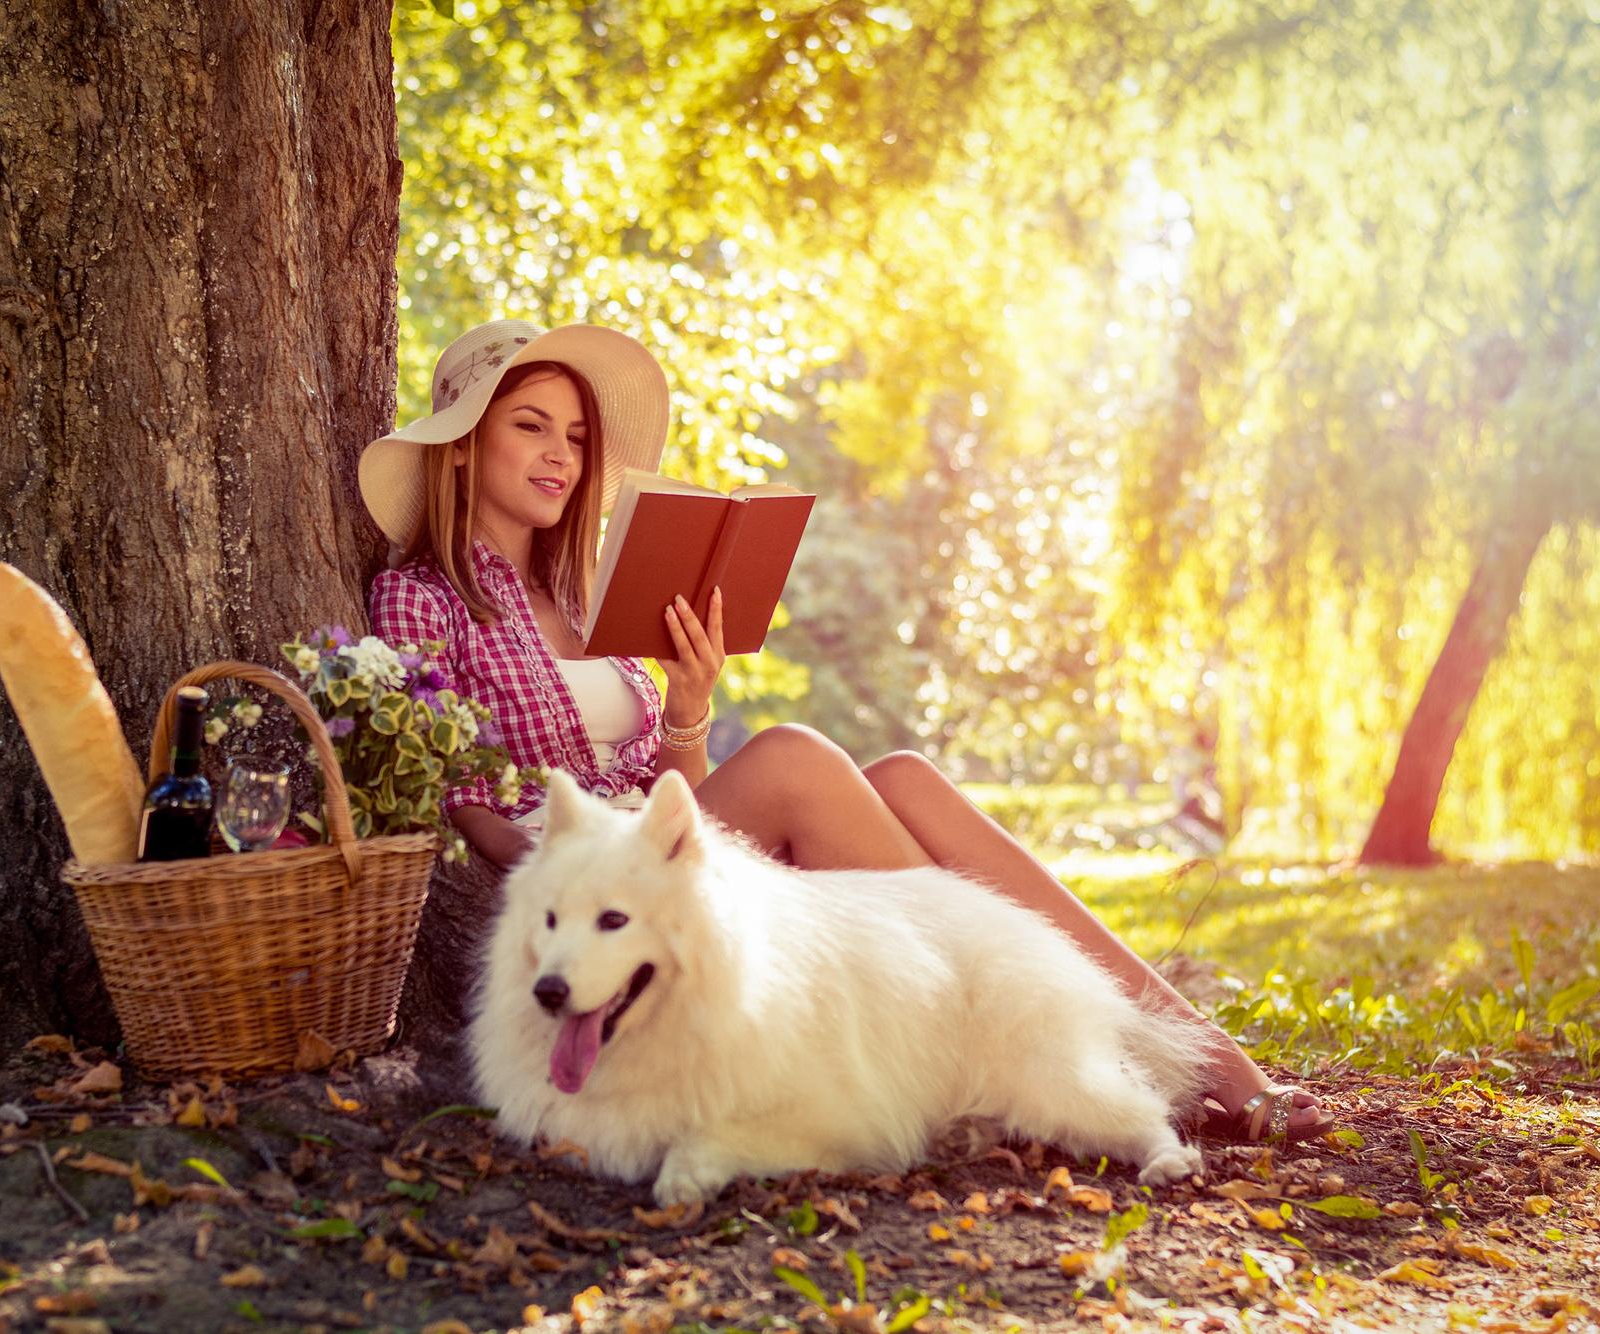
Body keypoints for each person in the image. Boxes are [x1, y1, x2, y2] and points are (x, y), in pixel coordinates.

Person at [361, 318, 1333, 1144]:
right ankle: (1062, 1046)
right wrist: (584, 840)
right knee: (791, 757)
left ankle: (1192, 1057)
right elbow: (475, 816)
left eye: (574, 435)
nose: (559, 455)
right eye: (529, 427)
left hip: (666, 849)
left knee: (906, 774)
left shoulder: (586, 592)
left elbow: (676, 780)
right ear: (461, 444)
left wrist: (689, 697)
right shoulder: (420, 598)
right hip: (582, 887)